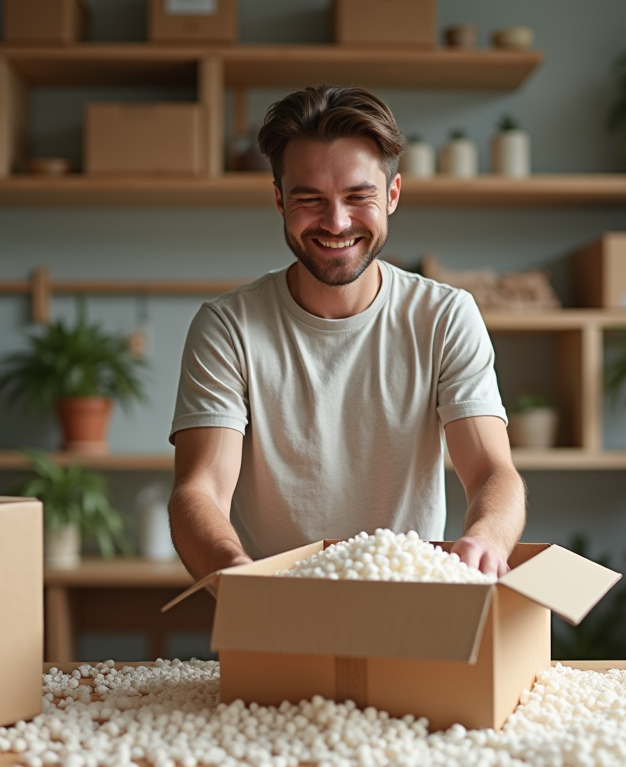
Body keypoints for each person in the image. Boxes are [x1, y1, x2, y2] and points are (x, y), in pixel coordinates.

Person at [168, 85, 525, 582]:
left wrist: (486, 538)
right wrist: (234, 571)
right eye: (310, 199)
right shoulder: (228, 327)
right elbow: (199, 488)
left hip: (411, 603)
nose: (336, 223)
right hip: (272, 601)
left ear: (392, 195)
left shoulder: (445, 316)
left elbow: (492, 472)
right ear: (278, 201)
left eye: (359, 197)